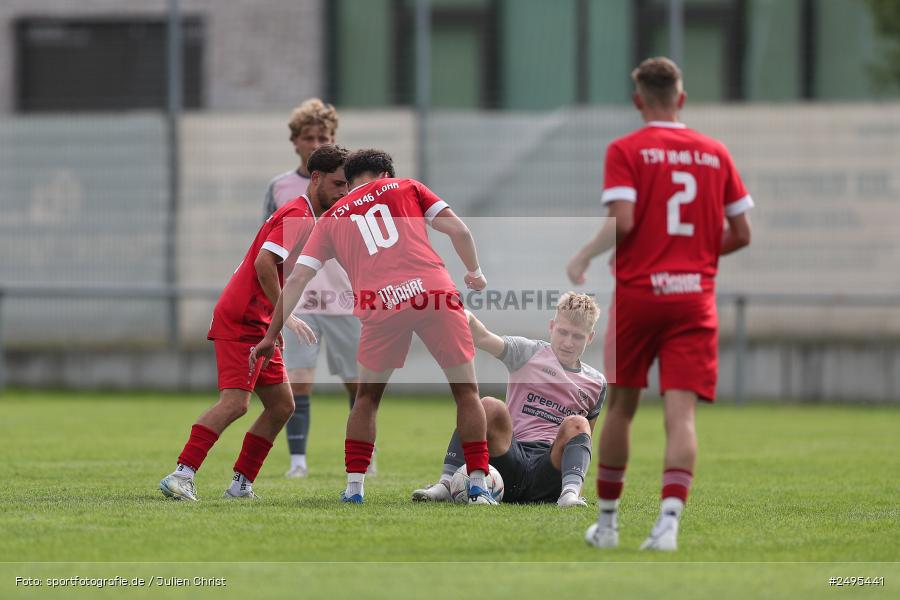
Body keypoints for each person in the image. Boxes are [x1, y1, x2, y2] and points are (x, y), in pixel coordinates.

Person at [567, 57, 753, 550]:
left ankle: (607, 527)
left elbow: (624, 222)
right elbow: (742, 232)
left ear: (638, 101)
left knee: (623, 408)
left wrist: (585, 253)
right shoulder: (715, 152)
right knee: (682, 414)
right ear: (682, 99)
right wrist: (693, 257)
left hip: (640, 295)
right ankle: (667, 526)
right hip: (693, 299)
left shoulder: (626, 149)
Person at [251, 148, 498, 505]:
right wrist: (474, 273)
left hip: (381, 305)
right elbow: (459, 230)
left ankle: (354, 489)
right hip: (433, 293)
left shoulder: (332, 217)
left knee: (366, 398)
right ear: (386, 175)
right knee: (466, 391)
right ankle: (477, 485)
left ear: (349, 183)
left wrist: (271, 334)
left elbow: (297, 279)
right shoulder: (407, 187)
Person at [158, 145, 349, 501]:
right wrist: (286, 317)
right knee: (236, 403)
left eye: (348, 186)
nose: (343, 193)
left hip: (260, 319)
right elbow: (264, 264)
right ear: (317, 178)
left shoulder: (311, 217)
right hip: (244, 315)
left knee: (282, 406)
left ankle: (241, 484)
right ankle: (181, 474)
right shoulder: (298, 215)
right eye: (338, 184)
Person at [411, 292, 606, 507]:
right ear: (552, 326)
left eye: (577, 336)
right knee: (488, 405)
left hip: (549, 470)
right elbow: (483, 337)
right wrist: (463, 316)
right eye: (562, 332)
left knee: (578, 423)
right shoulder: (528, 352)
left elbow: (583, 441)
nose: (568, 342)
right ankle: (446, 483)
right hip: (510, 459)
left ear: (590, 337)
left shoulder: (596, 383)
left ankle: (569, 495)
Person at [262, 98, 362, 479]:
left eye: (324, 136)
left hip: (344, 298)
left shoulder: (350, 186)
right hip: (298, 299)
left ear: (334, 138)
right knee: (299, 383)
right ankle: (298, 462)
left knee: (358, 384)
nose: (316, 141)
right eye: (309, 137)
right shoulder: (281, 187)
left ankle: (361, 459)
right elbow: (266, 244)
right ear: (296, 142)